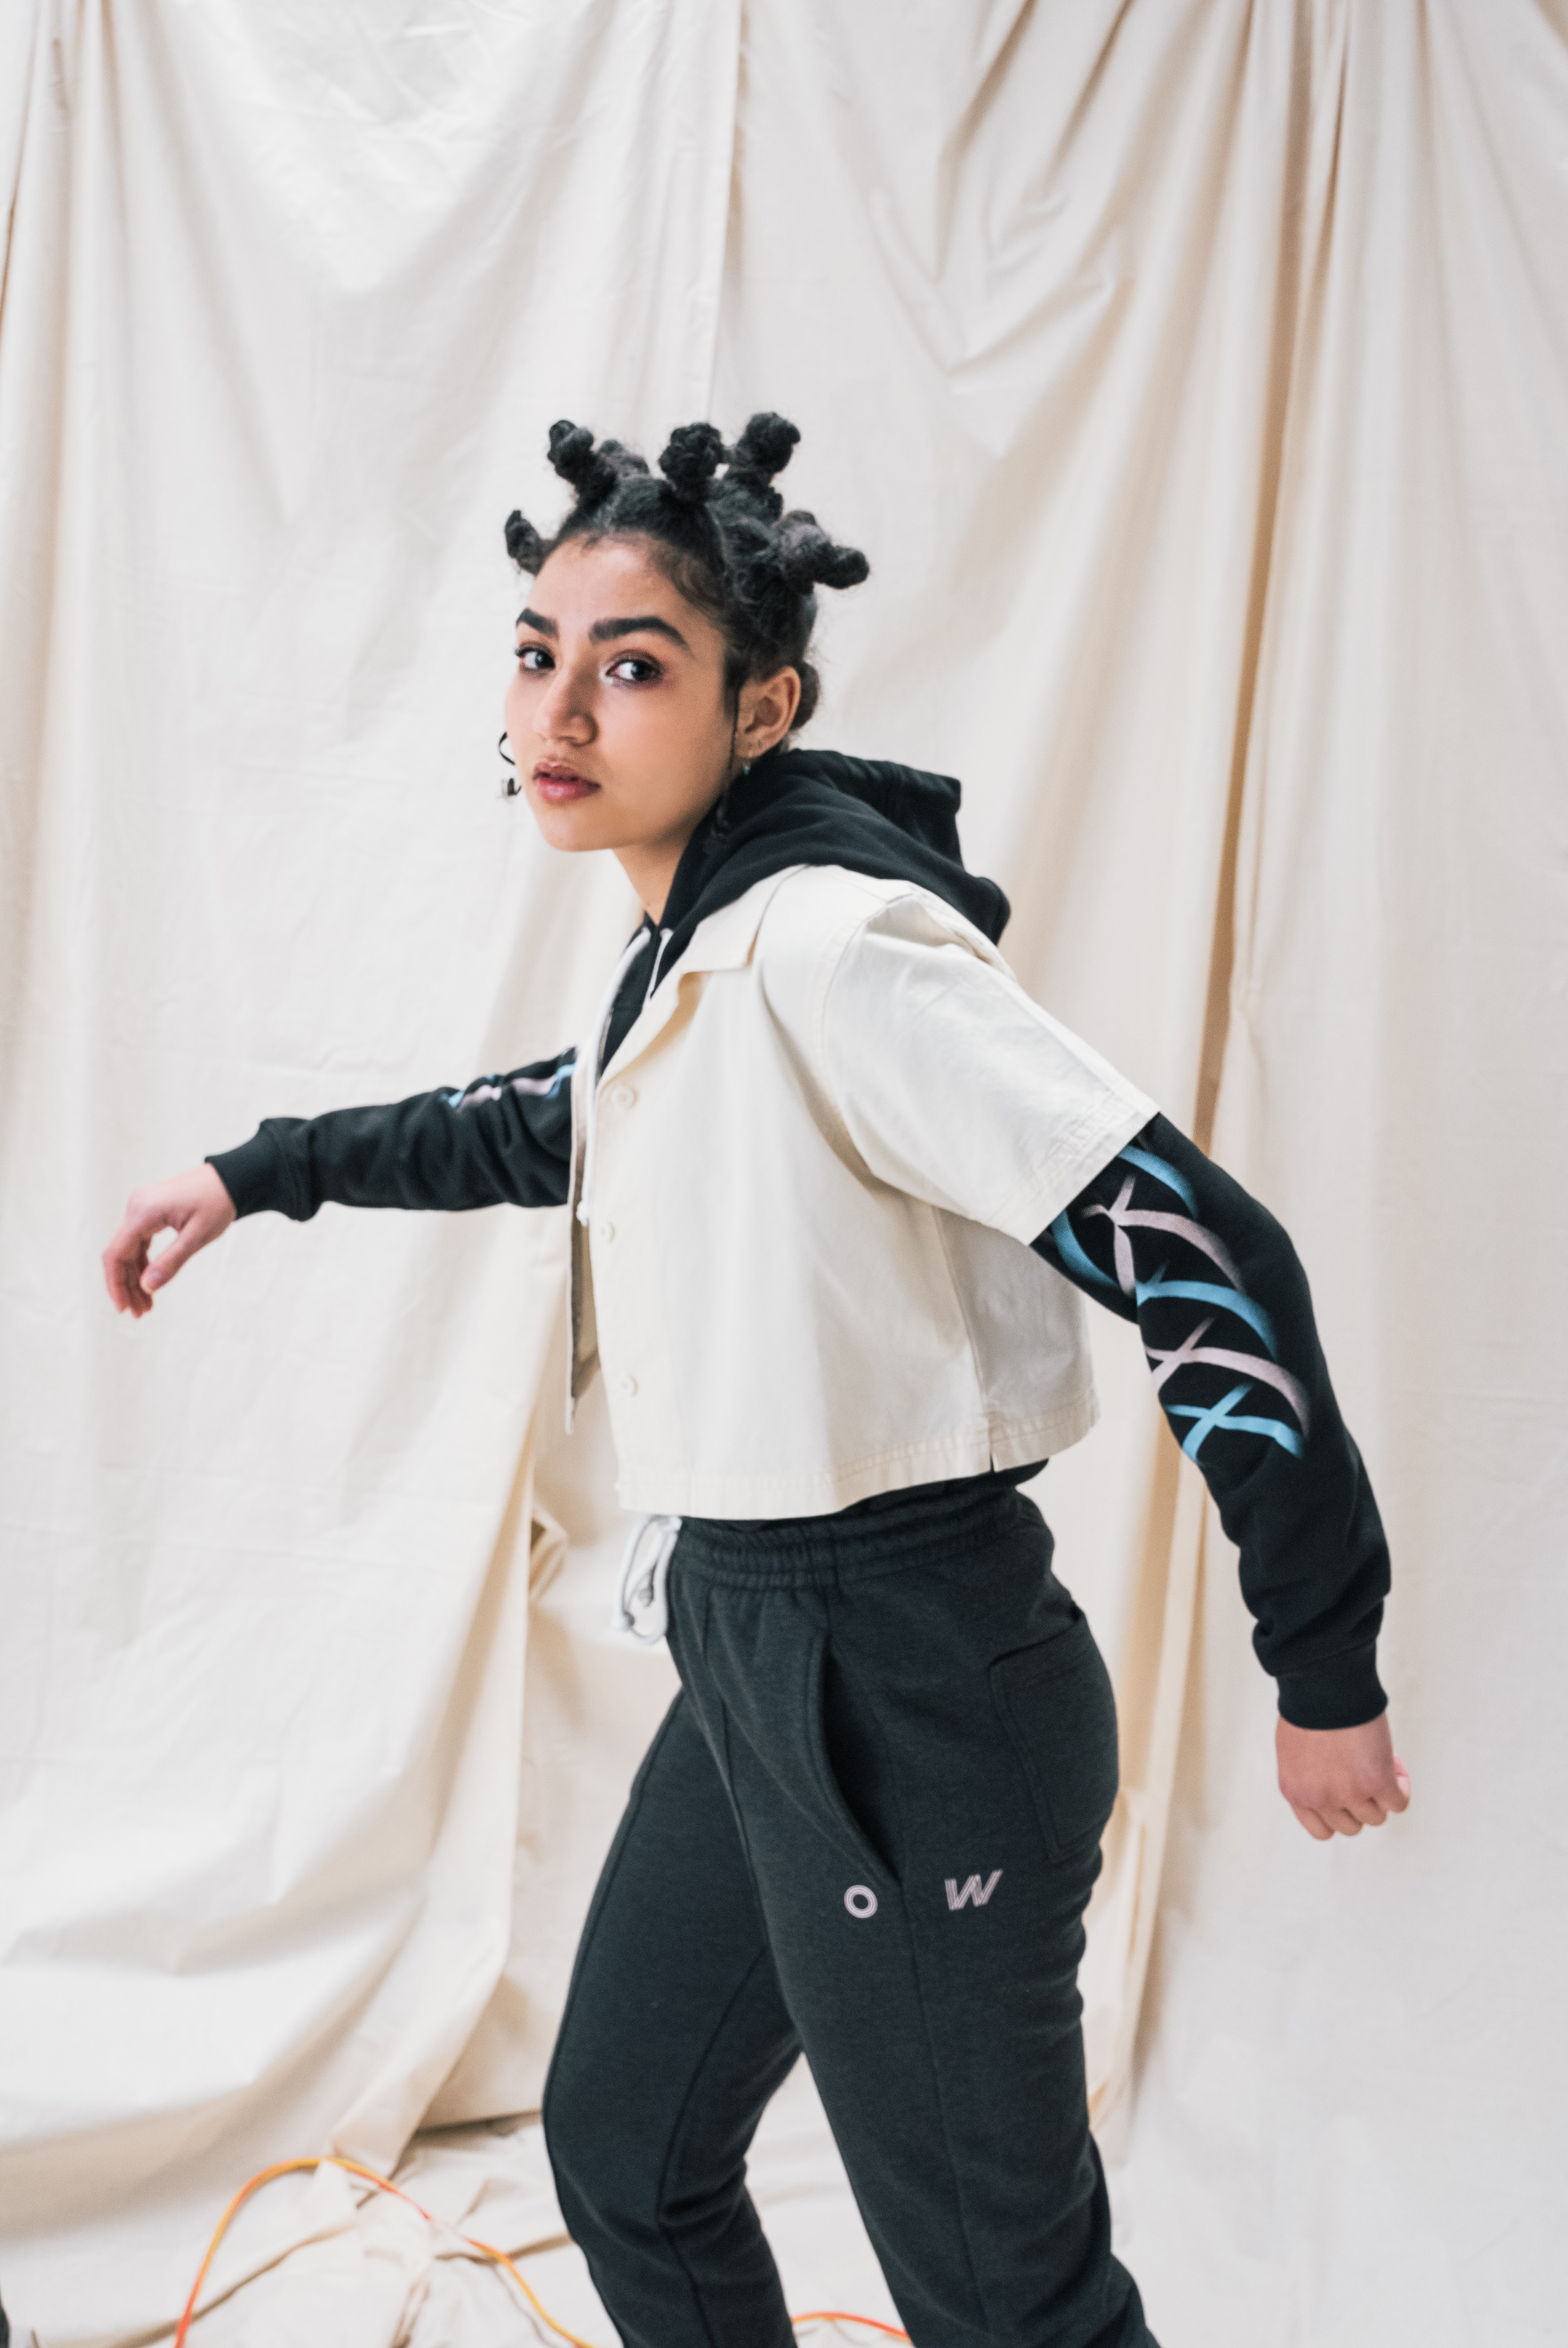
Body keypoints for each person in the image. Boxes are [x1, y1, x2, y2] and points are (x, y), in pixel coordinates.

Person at [102, 414, 1410, 2348]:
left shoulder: (836, 948)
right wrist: (261, 1170)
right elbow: (549, 1119)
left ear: (763, 705)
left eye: (633, 667)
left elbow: (1204, 1255)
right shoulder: (693, 945)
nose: (562, 710)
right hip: (754, 1651)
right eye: (537, 655)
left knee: (1006, 2302)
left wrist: (1321, 1663)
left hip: (915, 1680)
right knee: (628, 2156)